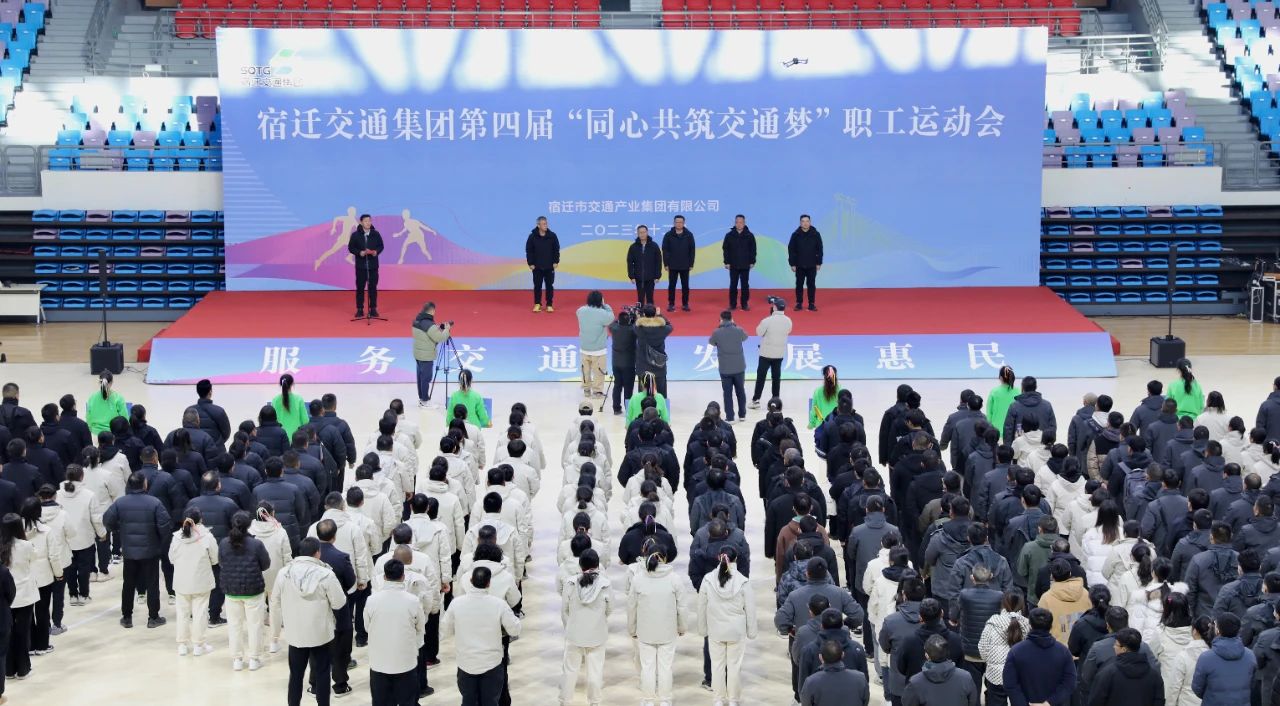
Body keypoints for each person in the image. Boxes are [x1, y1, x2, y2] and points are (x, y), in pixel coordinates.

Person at [273, 537, 347, 706]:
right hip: (320, 633)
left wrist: (278, 629)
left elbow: (275, 601)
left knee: (296, 675)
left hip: (295, 634)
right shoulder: (326, 574)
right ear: (317, 553)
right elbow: (339, 603)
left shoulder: (284, 573)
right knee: (322, 673)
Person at [443, 565, 522, 706]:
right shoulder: (499, 604)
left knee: (468, 701)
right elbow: (515, 630)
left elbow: (445, 630)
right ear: (488, 583)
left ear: (471, 581)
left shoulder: (456, 604)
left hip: (466, 662)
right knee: (490, 702)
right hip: (491, 663)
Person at [103, 471, 170, 629]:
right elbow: (165, 525)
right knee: (152, 584)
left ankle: (127, 617)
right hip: (150, 550)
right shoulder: (154, 502)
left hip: (129, 551)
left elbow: (107, 520)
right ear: (144, 484)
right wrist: (160, 542)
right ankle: (153, 617)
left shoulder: (120, 503)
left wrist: (118, 530)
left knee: (128, 584)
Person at [628, 545, 691, 706]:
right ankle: (665, 700)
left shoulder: (638, 579)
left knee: (647, 667)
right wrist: (682, 627)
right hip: (667, 632)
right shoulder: (674, 579)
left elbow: (632, 607)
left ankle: (648, 700)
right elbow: (682, 606)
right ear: (665, 557)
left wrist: (632, 629)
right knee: (665, 667)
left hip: (645, 632)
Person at [697, 545, 757, 706]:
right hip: (736, 631)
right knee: (734, 667)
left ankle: (718, 699)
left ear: (719, 557)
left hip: (715, 630)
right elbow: (750, 608)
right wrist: (752, 632)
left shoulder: (708, 580)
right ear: (736, 559)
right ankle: (733, 700)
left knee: (717, 666)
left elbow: (701, 606)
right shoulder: (743, 581)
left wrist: (702, 629)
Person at [366, 559, 425, 706]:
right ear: (403, 577)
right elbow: (420, 628)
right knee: (408, 701)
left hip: (379, 662)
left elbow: (368, 627)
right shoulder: (413, 601)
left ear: (384, 577)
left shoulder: (372, 600)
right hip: (406, 661)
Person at [559, 549, 611, 706]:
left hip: (574, 634)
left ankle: (565, 702)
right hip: (597, 635)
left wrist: (570, 626)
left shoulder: (570, 583)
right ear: (598, 566)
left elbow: (564, 610)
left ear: (580, 565)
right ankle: (594, 702)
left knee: (569, 671)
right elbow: (610, 609)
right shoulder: (605, 584)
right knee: (595, 672)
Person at [221, 510, 271, 671]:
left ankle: (237, 659)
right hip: (253, 589)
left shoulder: (224, 543)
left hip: (231, 589)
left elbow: (221, 562)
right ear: (249, 525)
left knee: (234, 625)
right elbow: (266, 564)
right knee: (255, 625)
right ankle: (254, 659)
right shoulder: (256, 544)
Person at [168, 506, 218, 657]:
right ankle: (198, 645)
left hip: (181, 582)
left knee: (182, 613)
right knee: (200, 613)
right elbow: (215, 559)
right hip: (201, 581)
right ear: (201, 519)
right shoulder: (207, 536)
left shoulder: (177, 537)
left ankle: (182, 645)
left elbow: (171, 558)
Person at [1002, 607, 1076, 706]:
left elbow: (1010, 684)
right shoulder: (1063, 652)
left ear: (1030, 625)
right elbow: (1069, 683)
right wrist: (1050, 703)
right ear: (1051, 625)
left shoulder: (1016, 651)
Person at [56, 465, 105, 608]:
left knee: (70, 568)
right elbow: (96, 518)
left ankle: (72, 595)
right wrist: (102, 533)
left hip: (65, 538)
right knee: (84, 569)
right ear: (82, 477)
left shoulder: (58, 495)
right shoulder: (89, 495)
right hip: (85, 538)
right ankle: (84, 595)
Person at [978, 589, 1030, 706]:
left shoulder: (993, 622)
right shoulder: (1027, 624)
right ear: (1022, 604)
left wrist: (990, 662)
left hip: (995, 675)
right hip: (1019, 675)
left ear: (1003, 603)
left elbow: (983, 648)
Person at [1191, 612, 1256, 706]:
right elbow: (1252, 685)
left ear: (1217, 630)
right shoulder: (1250, 655)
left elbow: (1197, 688)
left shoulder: (1206, 658)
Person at [1088, 627, 1165, 706]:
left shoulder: (1107, 673)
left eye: (1116, 644)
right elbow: (1159, 701)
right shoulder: (1154, 676)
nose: (1114, 646)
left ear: (1124, 649)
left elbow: (1095, 701)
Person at [903, 633, 979, 706]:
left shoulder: (915, 682)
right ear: (947, 653)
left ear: (927, 655)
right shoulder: (966, 677)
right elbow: (972, 702)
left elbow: (908, 703)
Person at [0, 513, 32, 683]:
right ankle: (23, 669)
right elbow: (33, 560)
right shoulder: (26, 545)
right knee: (23, 632)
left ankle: (9, 670)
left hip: (5, 597)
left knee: (7, 635)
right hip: (24, 594)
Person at [799, 640, 871, 706]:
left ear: (820, 657)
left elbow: (805, 703)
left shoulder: (811, 682)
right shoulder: (860, 678)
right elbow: (865, 701)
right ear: (843, 655)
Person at [751, 297, 792, 409]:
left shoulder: (767, 321)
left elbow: (759, 332)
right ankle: (776, 401)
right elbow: (788, 331)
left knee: (761, 377)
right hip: (779, 354)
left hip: (766, 354)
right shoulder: (788, 321)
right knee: (776, 378)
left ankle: (756, 400)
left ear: (774, 307)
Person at [708, 310, 748, 423]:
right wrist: (734, 325)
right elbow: (745, 337)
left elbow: (711, 342)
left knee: (727, 394)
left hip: (725, 368)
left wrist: (720, 327)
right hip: (739, 367)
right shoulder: (738, 330)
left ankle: (730, 417)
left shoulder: (717, 332)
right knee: (740, 391)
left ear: (721, 319)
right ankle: (742, 415)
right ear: (731, 318)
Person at [412, 302, 452, 409]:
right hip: (426, 355)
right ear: (432, 311)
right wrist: (447, 329)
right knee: (426, 378)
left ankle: (422, 399)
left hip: (418, 353)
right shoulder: (429, 324)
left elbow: (426, 334)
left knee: (420, 377)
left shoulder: (417, 320)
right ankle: (425, 401)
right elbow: (440, 338)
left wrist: (437, 328)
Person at [576, 291, 613, 400]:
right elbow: (611, 317)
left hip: (584, 348)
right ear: (600, 301)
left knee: (585, 370)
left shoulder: (581, 311)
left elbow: (582, 310)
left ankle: (586, 389)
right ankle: (597, 392)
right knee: (599, 371)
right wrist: (605, 305)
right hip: (598, 350)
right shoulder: (603, 313)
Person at [349, 213, 384, 318]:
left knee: (373, 287)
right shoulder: (355, 235)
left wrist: (376, 252)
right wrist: (359, 252)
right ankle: (360, 309)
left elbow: (381, 246)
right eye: (366, 221)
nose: (368, 223)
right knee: (360, 288)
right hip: (361, 266)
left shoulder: (376, 234)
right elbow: (351, 248)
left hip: (373, 266)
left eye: (369, 221)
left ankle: (373, 308)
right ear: (361, 222)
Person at [634, 305, 672, 398]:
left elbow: (635, 324)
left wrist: (638, 317)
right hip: (659, 366)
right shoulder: (663, 329)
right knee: (661, 394)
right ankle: (661, 406)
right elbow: (669, 326)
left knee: (643, 394)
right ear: (655, 314)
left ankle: (644, 406)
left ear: (644, 314)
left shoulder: (639, 329)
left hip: (643, 366)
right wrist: (659, 316)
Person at [788, 214, 824, 311]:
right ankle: (799, 303)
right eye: (803, 221)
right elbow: (791, 250)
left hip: (812, 264)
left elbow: (820, 249)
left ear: (810, 222)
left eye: (807, 221)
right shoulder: (795, 235)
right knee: (799, 284)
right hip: (799, 264)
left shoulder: (815, 234)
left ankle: (811, 303)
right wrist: (792, 264)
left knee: (811, 284)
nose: (805, 223)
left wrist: (819, 262)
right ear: (800, 223)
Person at [661, 214, 695, 312]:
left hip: (685, 264)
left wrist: (691, 264)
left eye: (681, 222)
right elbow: (665, 250)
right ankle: (671, 304)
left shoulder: (689, 235)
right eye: (677, 222)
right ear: (674, 223)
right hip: (672, 265)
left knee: (685, 286)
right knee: (672, 285)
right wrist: (666, 264)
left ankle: (685, 304)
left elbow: (692, 250)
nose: (679, 224)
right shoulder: (668, 235)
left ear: (684, 223)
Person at [526, 216, 560, 313]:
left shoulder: (552, 236)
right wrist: (530, 263)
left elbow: (556, 249)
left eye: (546, 223)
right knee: (537, 286)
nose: (546, 225)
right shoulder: (532, 236)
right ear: (538, 225)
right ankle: (537, 304)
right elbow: (529, 251)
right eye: (544, 224)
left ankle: (549, 304)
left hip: (549, 266)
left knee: (549, 285)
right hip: (537, 266)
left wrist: (556, 261)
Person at [722, 214, 756, 311]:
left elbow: (753, 250)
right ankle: (732, 304)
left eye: (741, 222)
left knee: (745, 285)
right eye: (737, 222)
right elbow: (726, 250)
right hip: (733, 264)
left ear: (744, 223)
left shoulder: (749, 235)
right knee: (733, 285)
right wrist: (727, 262)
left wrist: (752, 261)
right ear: (735, 223)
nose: (739, 224)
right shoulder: (729, 235)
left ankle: (744, 304)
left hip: (745, 264)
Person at [609, 309, 638, 416]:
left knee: (617, 385)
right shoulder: (632, 330)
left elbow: (613, 323)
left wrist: (621, 319)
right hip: (629, 363)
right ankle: (628, 408)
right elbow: (637, 327)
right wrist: (635, 319)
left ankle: (616, 408)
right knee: (628, 387)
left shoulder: (614, 328)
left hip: (616, 363)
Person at [627, 224, 663, 307]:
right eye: (640, 232)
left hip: (651, 277)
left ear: (647, 232)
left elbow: (658, 261)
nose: (642, 234)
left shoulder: (654, 246)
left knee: (650, 297)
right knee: (640, 298)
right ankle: (640, 312)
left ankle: (650, 313)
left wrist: (657, 276)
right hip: (639, 277)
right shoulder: (633, 247)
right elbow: (630, 262)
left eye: (644, 232)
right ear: (637, 234)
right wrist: (631, 276)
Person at [85, 371, 127, 437]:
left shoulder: (92, 397)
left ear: (100, 382)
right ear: (112, 382)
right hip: (112, 434)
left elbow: (88, 416)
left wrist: (90, 429)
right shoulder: (118, 398)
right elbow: (124, 418)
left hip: (94, 433)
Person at [193, 379, 232, 446]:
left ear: (197, 392)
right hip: (215, 448)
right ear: (210, 392)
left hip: (196, 448)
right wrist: (217, 443)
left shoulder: (190, 410)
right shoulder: (219, 411)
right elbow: (226, 433)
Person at [270, 374, 309, 441]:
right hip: (296, 439)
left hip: (279, 438)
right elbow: (305, 420)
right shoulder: (298, 399)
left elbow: (272, 420)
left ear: (280, 384)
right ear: (292, 384)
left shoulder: (275, 400)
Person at [809, 365, 845, 430]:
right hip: (837, 426)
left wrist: (812, 423)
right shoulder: (841, 390)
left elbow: (815, 409)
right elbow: (844, 409)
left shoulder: (817, 391)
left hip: (821, 425)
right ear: (835, 376)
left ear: (824, 376)